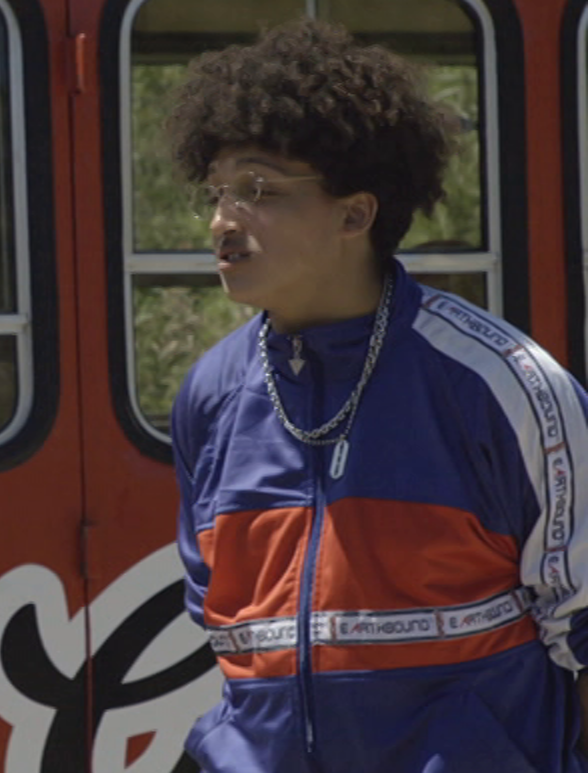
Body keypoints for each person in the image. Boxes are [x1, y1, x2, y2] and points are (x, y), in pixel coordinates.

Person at [168, 17, 588, 773]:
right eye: (218, 192)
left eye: (258, 190)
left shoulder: (505, 382)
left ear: (355, 214)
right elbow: (226, 630)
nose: (223, 221)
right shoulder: (210, 393)